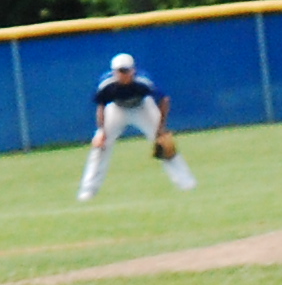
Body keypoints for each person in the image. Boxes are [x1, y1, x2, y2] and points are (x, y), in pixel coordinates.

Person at [79, 52, 195, 199]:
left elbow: (164, 100)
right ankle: (88, 190)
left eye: (126, 70)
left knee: (165, 145)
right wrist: (101, 131)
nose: (123, 74)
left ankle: (186, 183)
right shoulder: (106, 84)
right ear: (114, 72)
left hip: (142, 108)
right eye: (120, 71)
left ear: (133, 70)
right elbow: (101, 107)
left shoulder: (143, 81)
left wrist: (160, 129)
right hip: (116, 109)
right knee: (100, 147)